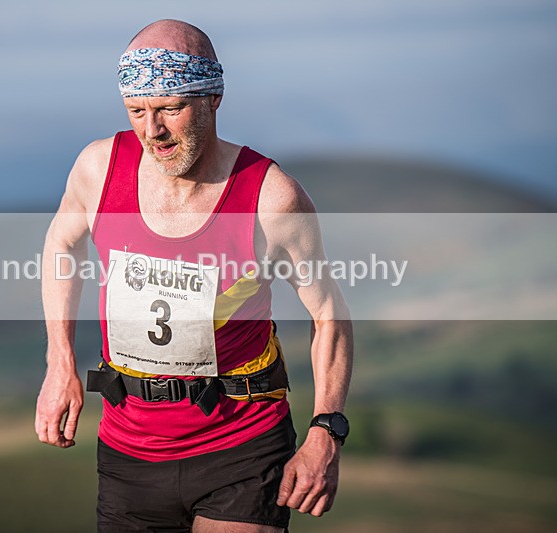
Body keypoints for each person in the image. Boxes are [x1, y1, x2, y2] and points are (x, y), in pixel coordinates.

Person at [35, 19, 354, 533]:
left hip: (241, 444)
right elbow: (60, 244)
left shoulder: (271, 198)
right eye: (137, 111)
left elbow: (329, 314)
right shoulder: (99, 169)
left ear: (212, 99)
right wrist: (60, 361)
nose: (152, 131)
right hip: (128, 448)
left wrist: (326, 430)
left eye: (170, 108)